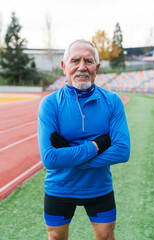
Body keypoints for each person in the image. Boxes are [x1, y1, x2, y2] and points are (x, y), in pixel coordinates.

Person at [38, 39, 130, 240]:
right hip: (59, 188)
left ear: (96, 67)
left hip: (99, 187)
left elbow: (122, 151)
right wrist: (97, 146)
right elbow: (50, 159)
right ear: (64, 66)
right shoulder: (50, 104)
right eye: (75, 60)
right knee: (55, 238)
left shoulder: (113, 101)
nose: (82, 67)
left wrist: (69, 153)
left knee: (106, 237)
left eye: (88, 61)